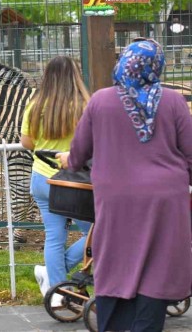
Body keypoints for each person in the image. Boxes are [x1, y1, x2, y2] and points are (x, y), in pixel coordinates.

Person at [59, 38, 192, 332]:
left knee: (115, 260)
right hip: (166, 200)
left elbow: (79, 154)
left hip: (116, 199)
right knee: (158, 265)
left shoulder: (101, 101)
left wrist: (67, 158)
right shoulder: (173, 101)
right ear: (157, 66)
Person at [20, 56, 91, 304]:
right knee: (97, 233)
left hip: (41, 178)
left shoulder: (35, 105)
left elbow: (27, 142)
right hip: (75, 181)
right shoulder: (85, 105)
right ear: (76, 75)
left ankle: (58, 293)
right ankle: (57, 281)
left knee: (54, 236)